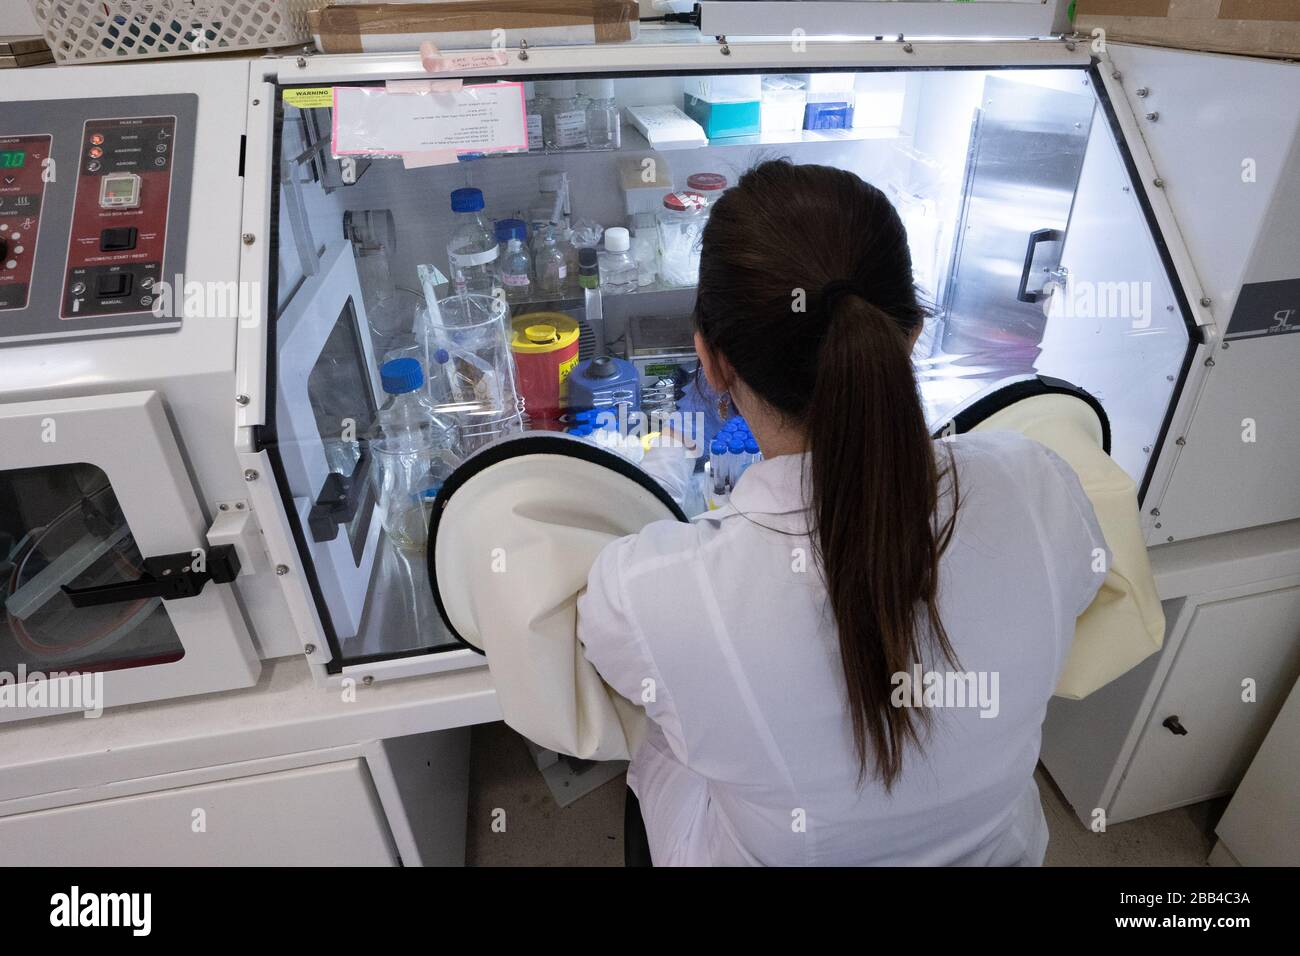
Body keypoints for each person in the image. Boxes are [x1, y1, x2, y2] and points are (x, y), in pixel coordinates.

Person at [576, 160, 1108, 866]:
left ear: (711, 362)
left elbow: (610, 665)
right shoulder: (1039, 484)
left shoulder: (650, 593)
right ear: (913, 334)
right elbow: (1081, 584)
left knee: (665, 749)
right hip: (996, 851)